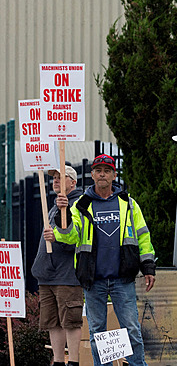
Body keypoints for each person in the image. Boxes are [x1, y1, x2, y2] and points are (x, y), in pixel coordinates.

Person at [45, 154, 156, 366]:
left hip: (122, 279)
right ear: (92, 174)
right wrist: (63, 214)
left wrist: (148, 266)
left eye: (107, 170)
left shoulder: (128, 204)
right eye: (98, 170)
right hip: (93, 280)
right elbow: (69, 237)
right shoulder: (80, 205)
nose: (102, 174)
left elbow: (143, 236)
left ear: (114, 175)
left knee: (131, 329)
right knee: (97, 333)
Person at [32, 166, 83, 366]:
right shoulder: (54, 205)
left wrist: (59, 238)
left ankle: (74, 362)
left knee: (70, 320)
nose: (56, 181)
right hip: (48, 275)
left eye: (62, 177)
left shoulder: (78, 205)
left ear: (73, 182)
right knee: (52, 321)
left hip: (67, 275)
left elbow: (76, 239)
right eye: (54, 178)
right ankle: (59, 361)